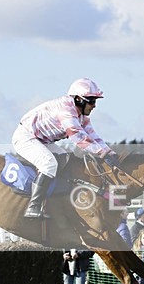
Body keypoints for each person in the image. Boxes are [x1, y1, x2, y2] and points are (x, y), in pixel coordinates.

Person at [11, 77, 117, 219]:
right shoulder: (66, 111)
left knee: (65, 159)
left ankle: (52, 199)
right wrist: (101, 153)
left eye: (95, 101)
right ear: (79, 99)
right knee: (49, 164)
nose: (94, 105)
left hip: (41, 140)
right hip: (26, 137)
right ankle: (33, 206)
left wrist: (109, 152)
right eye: (91, 101)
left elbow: (93, 135)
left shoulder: (81, 115)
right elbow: (78, 137)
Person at [102, 209, 133, 284]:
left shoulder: (114, 225)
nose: (127, 214)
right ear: (120, 214)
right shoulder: (122, 226)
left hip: (117, 260)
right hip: (122, 260)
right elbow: (125, 243)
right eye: (125, 212)